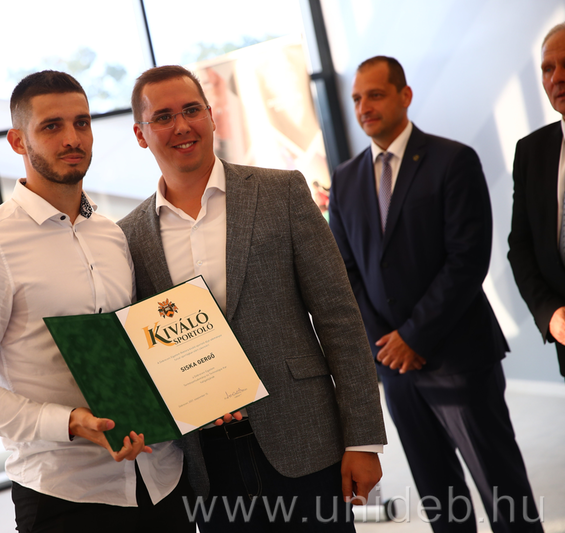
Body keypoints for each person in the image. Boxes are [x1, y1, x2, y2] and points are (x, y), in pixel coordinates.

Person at [118, 65, 386, 531]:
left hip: (304, 440)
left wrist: (362, 440)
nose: (181, 126)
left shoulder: (282, 193)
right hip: (208, 463)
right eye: (162, 117)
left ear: (211, 116)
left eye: (191, 110)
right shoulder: (129, 238)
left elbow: (340, 319)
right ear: (141, 134)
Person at [0, 70, 193, 533]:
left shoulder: (112, 235)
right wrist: (69, 422)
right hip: (64, 495)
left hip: (161, 479)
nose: (72, 138)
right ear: (18, 140)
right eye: (51, 126)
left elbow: (137, 348)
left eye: (82, 123)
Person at [328, 56, 542, 531]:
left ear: (404, 95)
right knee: (439, 497)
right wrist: (387, 345)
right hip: (394, 369)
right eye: (357, 98)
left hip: (459, 358)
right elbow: (345, 272)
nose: (364, 107)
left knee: (502, 490)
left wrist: (414, 337)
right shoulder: (345, 178)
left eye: (375, 94)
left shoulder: (453, 159)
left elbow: (467, 260)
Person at [508, 22, 565, 378]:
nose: (557, 77)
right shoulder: (531, 151)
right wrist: (550, 313)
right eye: (548, 68)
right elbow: (521, 246)